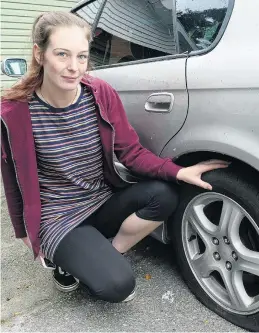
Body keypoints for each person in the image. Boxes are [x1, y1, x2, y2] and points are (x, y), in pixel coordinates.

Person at [1, 12, 229, 303]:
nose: (74, 68)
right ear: (39, 54)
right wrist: (23, 230)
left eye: (82, 57)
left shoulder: (99, 94)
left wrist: (178, 171)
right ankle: (66, 258)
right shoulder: (15, 112)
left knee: (164, 194)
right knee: (118, 287)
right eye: (62, 54)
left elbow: (131, 153)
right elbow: (11, 177)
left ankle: (105, 250)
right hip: (58, 216)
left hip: (101, 199)